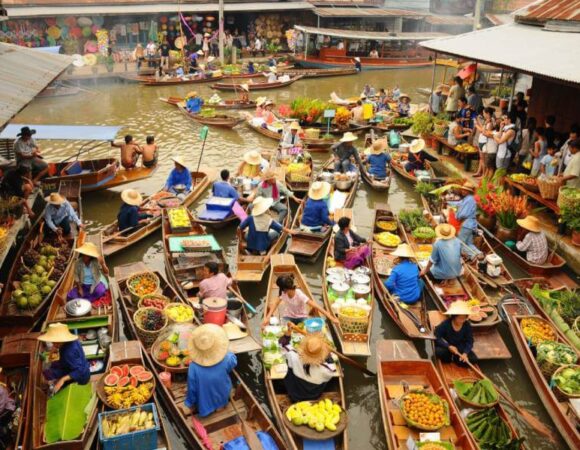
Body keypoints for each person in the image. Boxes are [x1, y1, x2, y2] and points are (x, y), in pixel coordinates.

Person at [182, 324, 237, 418]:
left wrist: (189, 402)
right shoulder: (227, 358)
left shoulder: (193, 367)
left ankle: (208, 410)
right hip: (222, 395)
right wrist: (229, 352)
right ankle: (220, 407)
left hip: (204, 402)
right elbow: (233, 362)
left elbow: (192, 388)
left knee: (203, 399)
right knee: (220, 396)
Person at [262, 275, 338, 327]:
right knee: (285, 331)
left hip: (301, 317)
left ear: (285, 288)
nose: (280, 289)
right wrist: (268, 317)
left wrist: (332, 318)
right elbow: (275, 304)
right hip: (288, 316)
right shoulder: (283, 292)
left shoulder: (299, 294)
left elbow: (316, 305)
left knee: (304, 332)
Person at [280, 332, 337, 402]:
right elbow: (332, 370)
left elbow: (283, 344)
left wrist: (287, 335)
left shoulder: (293, 355)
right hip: (314, 396)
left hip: (294, 394)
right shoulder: (327, 369)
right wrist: (328, 355)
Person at [38, 323, 91, 393]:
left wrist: (62, 380)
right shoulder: (72, 340)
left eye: (54, 342)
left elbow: (79, 370)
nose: (53, 344)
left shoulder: (68, 353)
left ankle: (59, 383)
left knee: (49, 373)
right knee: (52, 365)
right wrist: (53, 350)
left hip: (80, 376)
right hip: (71, 364)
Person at [434, 301, 477, 366]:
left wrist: (465, 353)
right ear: (454, 317)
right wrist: (448, 346)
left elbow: (470, 341)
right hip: (447, 347)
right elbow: (437, 336)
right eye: (460, 318)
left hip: (459, 347)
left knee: (473, 359)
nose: (462, 320)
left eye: (464, 318)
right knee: (439, 352)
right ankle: (450, 358)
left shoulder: (467, 325)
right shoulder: (446, 324)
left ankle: (455, 359)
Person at [447, 183, 482, 260]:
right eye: (463, 189)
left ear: (468, 191)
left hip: (467, 225)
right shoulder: (468, 199)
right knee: (469, 243)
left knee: (460, 243)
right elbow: (459, 204)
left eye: (465, 190)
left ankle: (474, 256)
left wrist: (456, 215)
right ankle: (479, 253)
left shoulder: (469, 200)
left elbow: (463, 214)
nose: (462, 191)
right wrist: (448, 202)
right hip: (471, 225)